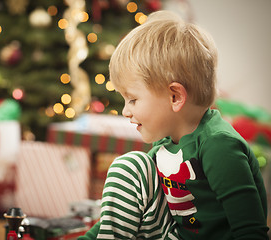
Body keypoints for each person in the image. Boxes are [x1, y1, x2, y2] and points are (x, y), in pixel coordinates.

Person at [79, 10, 269, 239]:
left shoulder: (219, 145)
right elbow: (120, 213)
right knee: (130, 166)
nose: (125, 111)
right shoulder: (165, 142)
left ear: (175, 97)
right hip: (173, 233)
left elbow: (250, 230)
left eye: (133, 99)